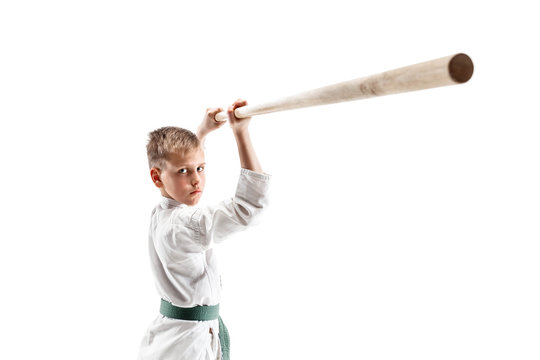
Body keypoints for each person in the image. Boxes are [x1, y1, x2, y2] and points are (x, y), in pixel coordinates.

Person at [137, 99, 271, 360]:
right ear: (156, 177)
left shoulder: (164, 214)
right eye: (185, 172)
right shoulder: (183, 226)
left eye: (200, 168)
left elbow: (178, 161)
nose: (196, 179)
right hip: (187, 347)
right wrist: (241, 133)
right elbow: (249, 208)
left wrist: (203, 131)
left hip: (179, 335)